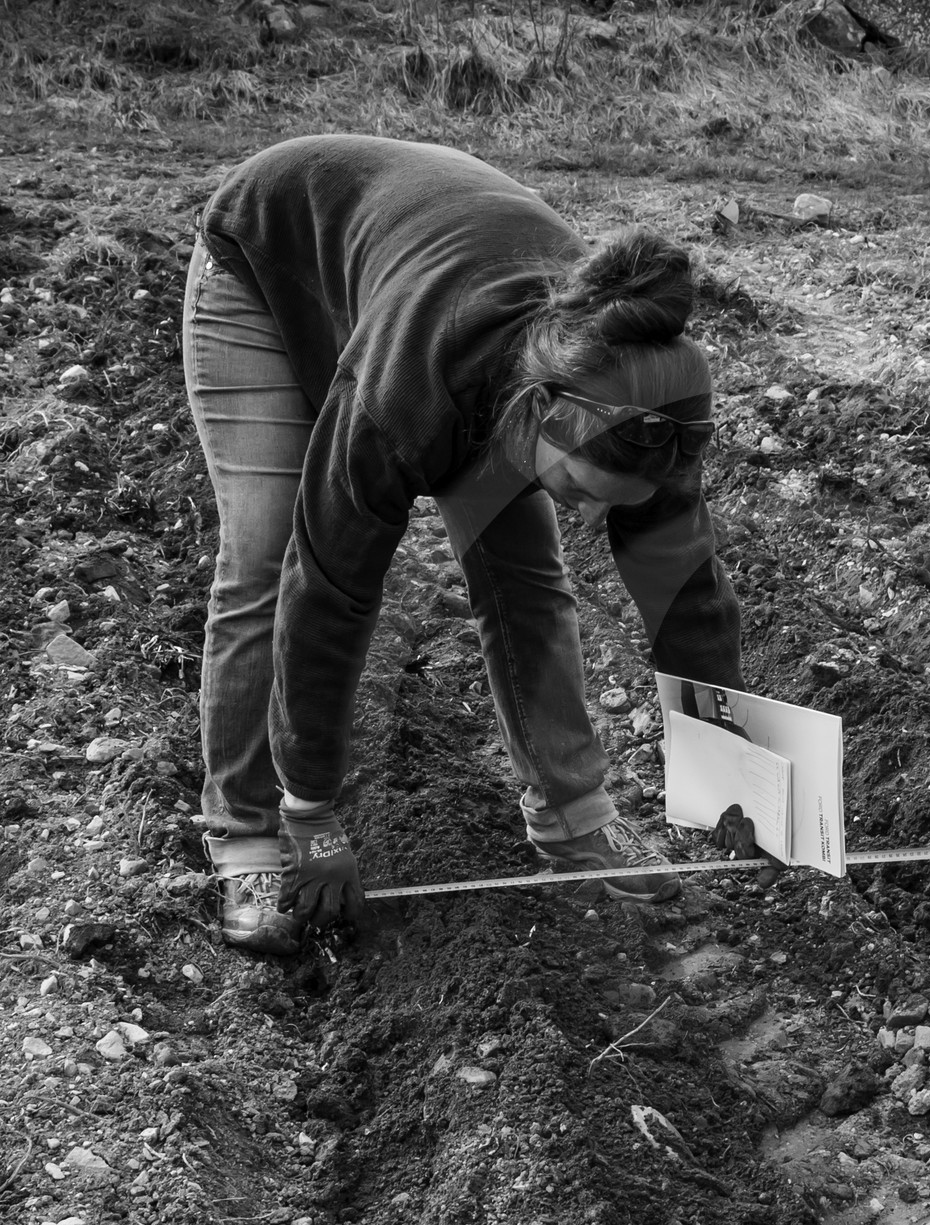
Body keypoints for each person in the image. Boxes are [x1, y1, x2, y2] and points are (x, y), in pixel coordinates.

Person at [181, 135, 743, 955]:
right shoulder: (411, 396)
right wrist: (314, 809)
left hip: (435, 264)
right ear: (537, 413)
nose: (589, 515)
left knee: (529, 578)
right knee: (268, 559)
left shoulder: (650, 416)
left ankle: (572, 817)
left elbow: (689, 598)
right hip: (269, 263)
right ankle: (248, 836)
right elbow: (330, 588)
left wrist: (735, 768)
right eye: (580, 487)